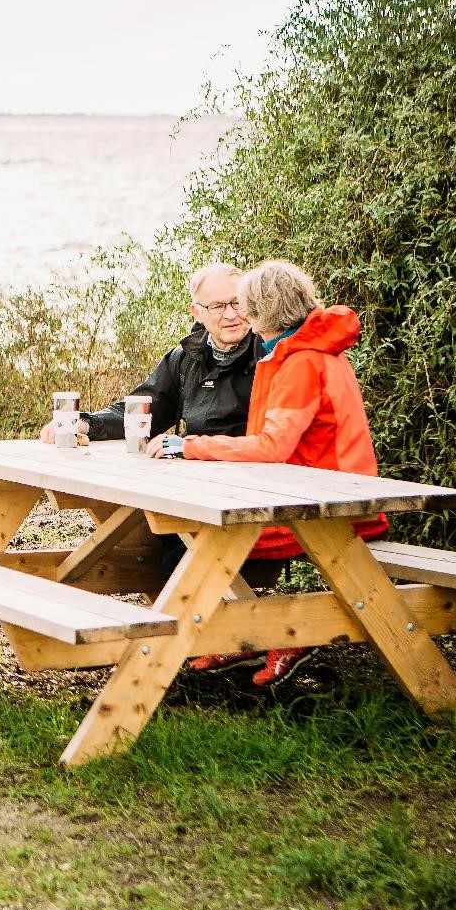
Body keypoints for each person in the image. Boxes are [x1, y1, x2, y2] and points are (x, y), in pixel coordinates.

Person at [149, 259, 388, 686]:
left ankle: (275, 633)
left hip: (321, 507)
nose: (239, 314)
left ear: (263, 310)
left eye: (245, 304)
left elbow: (273, 445)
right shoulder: (310, 351)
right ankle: (239, 639)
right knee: (179, 541)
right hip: (316, 494)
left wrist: (189, 446)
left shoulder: (302, 362)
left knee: (188, 553)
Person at [39, 262, 258, 446]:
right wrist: (86, 423)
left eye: (237, 302)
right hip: (193, 480)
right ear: (197, 312)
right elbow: (139, 412)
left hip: (257, 482)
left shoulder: (268, 354)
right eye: (217, 306)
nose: (230, 314)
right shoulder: (184, 359)